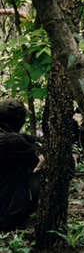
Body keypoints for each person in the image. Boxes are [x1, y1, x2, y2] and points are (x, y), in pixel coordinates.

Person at [0, 98, 40, 231]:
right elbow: (37, 159)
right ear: (18, 118)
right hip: (5, 215)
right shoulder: (13, 142)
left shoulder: (9, 138)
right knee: (47, 170)